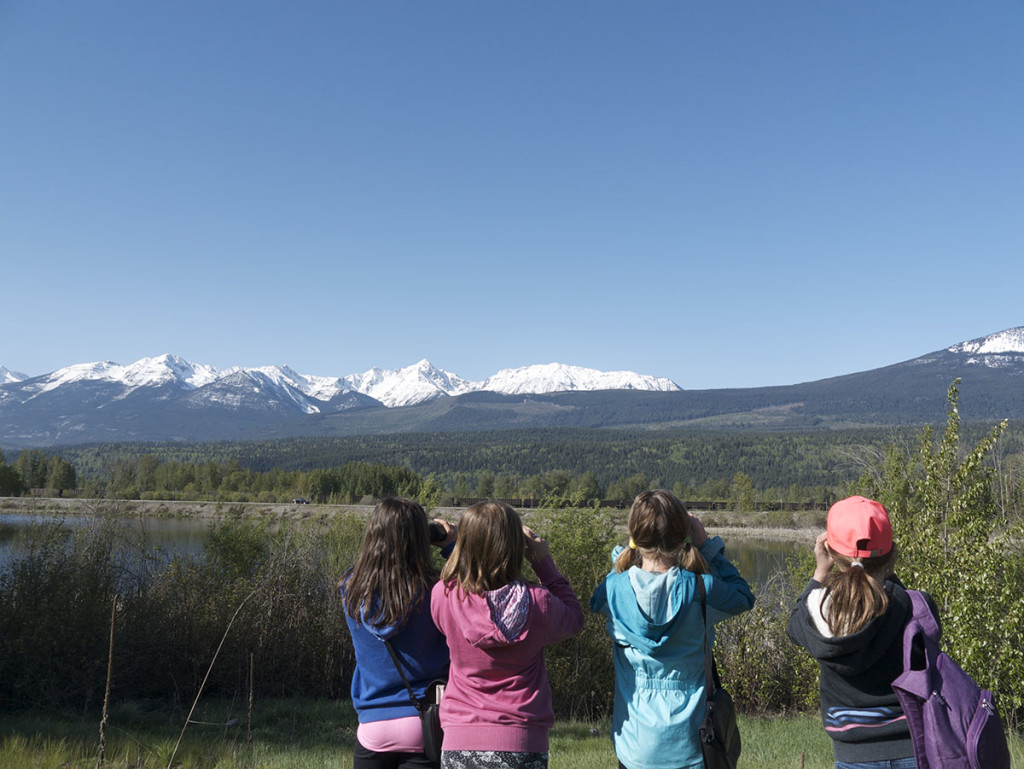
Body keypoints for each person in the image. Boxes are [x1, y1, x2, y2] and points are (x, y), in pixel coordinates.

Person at [590, 489, 755, 769]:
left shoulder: (613, 591)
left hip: (635, 747)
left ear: (634, 535)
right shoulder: (701, 589)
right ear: (683, 538)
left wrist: (625, 553)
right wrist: (706, 546)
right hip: (691, 744)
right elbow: (743, 596)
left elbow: (597, 600)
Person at [429, 501, 585, 769]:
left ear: (466, 544)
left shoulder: (444, 596)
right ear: (515, 547)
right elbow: (575, 618)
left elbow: (465, 578)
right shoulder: (538, 603)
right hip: (522, 740)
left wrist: (454, 545)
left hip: (460, 739)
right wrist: (543, 562)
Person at [787, 495, 926, 769]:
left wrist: (819, 573)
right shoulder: (916, 604)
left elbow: (794, 625)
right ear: (891, 552)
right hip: (914, 745)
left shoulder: (818, 610)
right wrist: (886, 571)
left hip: (853, 755)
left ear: (829, 551)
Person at [339, 497, 456, 769]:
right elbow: (473, 593)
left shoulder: (351, 588)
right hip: (424, 721)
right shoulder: (436, 590)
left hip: (373, 725)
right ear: (420, 539)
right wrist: (452, 546)